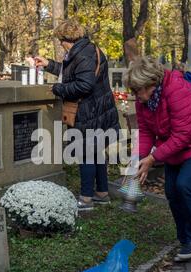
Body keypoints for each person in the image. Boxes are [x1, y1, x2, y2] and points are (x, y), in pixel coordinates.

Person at [123, 56, 191, 261]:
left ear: (150, 84)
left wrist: (152, 159)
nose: (135, 96)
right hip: (176, 145)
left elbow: (183, 134)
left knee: (185, 185)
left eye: (136, 91)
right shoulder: (145, 100)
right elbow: (145, 132)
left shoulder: (176, 90)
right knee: (171, 190)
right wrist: (137, 160)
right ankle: (185, 239)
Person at [34, 20, 120, 211]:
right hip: (97, 110)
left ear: (67, 39)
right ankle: (102, 193)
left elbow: (84, 85)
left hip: (90, 112)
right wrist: (49, 64)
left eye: (60, 41)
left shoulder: (83, 54)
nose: (60, 44)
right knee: (96, 152)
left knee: (86, 153)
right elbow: (71, 73)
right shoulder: (83, 51)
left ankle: (86, 198)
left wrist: (57, 89)